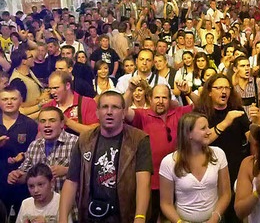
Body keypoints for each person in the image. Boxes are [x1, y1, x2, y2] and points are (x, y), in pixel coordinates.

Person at [58, 91, 153, 223]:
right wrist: (62, 219)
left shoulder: (139, 139)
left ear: (124, 113)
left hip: (125, 216)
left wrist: (140, 217)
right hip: (90, 216)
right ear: (97, 112)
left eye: (115, 107)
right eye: (104, 107)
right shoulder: (85, 139)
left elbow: (144, 182)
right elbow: (71, 181)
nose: (109, 112)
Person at [125, 82, 198, 222]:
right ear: (150, 99)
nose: (160, 101)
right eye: (157, 97)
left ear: (169, 100)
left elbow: (203, 107)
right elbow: (122, 111)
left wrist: (188, 92)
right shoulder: (142, 115)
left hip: (177, 180)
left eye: (164, 98)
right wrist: (130, 90)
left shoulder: (179, 113)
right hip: (150, 183)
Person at [194, 73, 250, 223]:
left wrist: (257, 124)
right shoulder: (200, 113)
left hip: (234, 169)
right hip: (207, 172)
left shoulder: (237, 110)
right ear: (210, 91)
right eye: (219, 88)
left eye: (227, 87)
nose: (224, 91)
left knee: (233, 215)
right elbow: (202, 140)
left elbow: (250, 136)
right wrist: (225, 122)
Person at [159, 113, 232, 223]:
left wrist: (215, 218)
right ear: (189, 134)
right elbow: (166, 203)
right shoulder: (169, 162)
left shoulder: (218, 154)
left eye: (208, 127)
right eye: (203, 128)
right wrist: (180, 222)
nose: (209, 131)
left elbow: (225, 194)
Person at [7, 106, 78, 193]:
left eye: (52, 120)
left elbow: (88, 172)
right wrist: (15, 176)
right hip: (41, 203)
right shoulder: (34, 145)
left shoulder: (76, 143)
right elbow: (25, 175)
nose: (47, 125)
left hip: (68, 203)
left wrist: (67, 170)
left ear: (62, 123)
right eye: (43, 121)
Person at [0, 87, 39, 219]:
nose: (9, 102)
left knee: (21, 217)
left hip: (21, 180)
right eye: (5, 99)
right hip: (0, 179)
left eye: (13, 99)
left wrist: (23, 155)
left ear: (21, 101)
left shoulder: (30, 125)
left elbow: (36, 151)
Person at [42, 71, 99, 135]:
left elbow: (95, 132)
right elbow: (40, 135)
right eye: (50, 88)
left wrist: (67, 122)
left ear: (67, 86)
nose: (52, 92)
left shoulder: (87, 103)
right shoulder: (47, 107)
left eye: (56, 88)